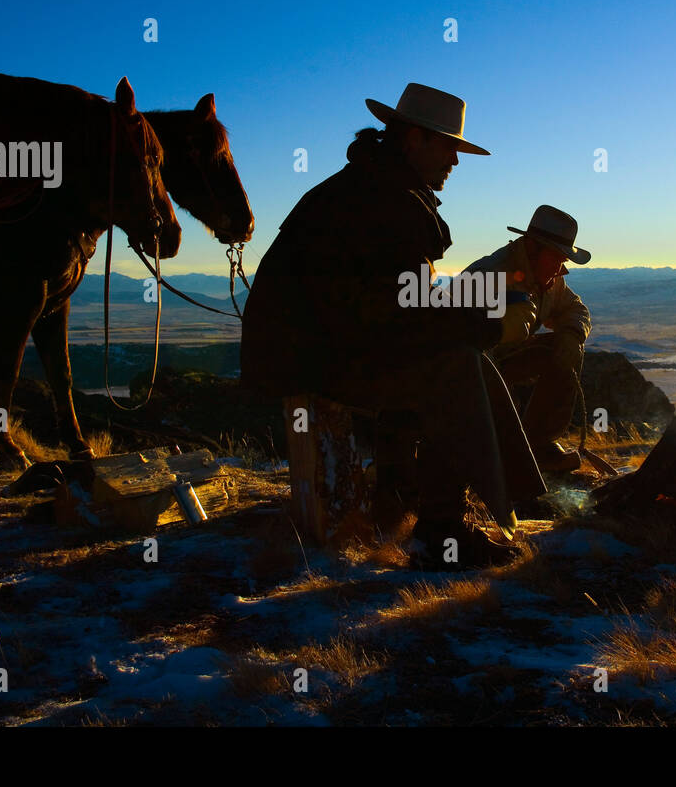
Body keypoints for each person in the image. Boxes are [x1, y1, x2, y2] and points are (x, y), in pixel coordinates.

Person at [239, 83, 546, 566]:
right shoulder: (384, 197)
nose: (456, 160)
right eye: (448, 146)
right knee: (455, 368)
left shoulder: (374, 185)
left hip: (317, 346)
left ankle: (479, 498)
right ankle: (442, 532)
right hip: (311, 358)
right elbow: (400, 316)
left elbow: (398, 298)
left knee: (460, 357)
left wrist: (481, 309)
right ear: (413, 138)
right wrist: (489, 323)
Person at [463, 205, 592, 473]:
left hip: (500, 361)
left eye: (563, 260)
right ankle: (501, 455)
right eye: (556, 257)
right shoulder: (490, 275)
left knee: (566, 349)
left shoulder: (548, 277)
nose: (560, 268)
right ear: (533, 248)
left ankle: (539, 446)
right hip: (469, 369)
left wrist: (572, 334)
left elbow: (574, 309)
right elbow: (461, 342)